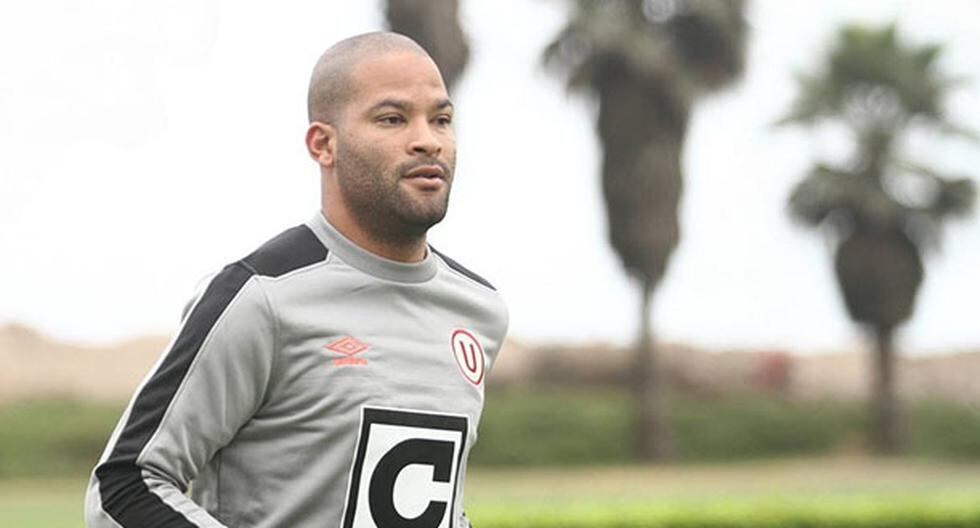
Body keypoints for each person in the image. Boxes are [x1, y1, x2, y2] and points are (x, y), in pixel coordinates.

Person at [85, 31, 509, 528]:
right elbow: (124, 485)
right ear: (323, 144)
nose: (427, 139)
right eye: (392, 119)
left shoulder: (479, 311)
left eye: (441, 119)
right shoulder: (261, 296)